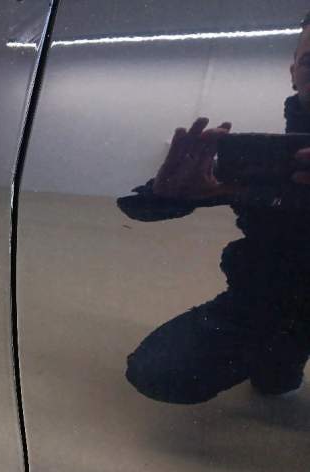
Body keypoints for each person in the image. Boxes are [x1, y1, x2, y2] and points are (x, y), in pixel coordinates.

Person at [117, 12, 310, 405]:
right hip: (266, 303)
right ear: (293, 73)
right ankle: (282, 354)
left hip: (270, 303)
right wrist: (165, 194)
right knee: (160, 372)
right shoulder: (266, 160)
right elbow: (140, 210)